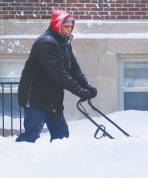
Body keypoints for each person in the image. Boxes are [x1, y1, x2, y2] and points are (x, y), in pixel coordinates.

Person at [16, 8, 97, 143]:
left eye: (71, 26)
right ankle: (16, 161)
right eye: (66, 26)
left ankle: (59, 163)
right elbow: (58, 73)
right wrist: (79, 91)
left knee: (62, 136)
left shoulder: (64, 44)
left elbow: (74, 70)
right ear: (57, 25)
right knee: (31, 136)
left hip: (52, 97)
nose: (70, 30)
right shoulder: (46, 43)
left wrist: (87, 87)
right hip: (35, 97)